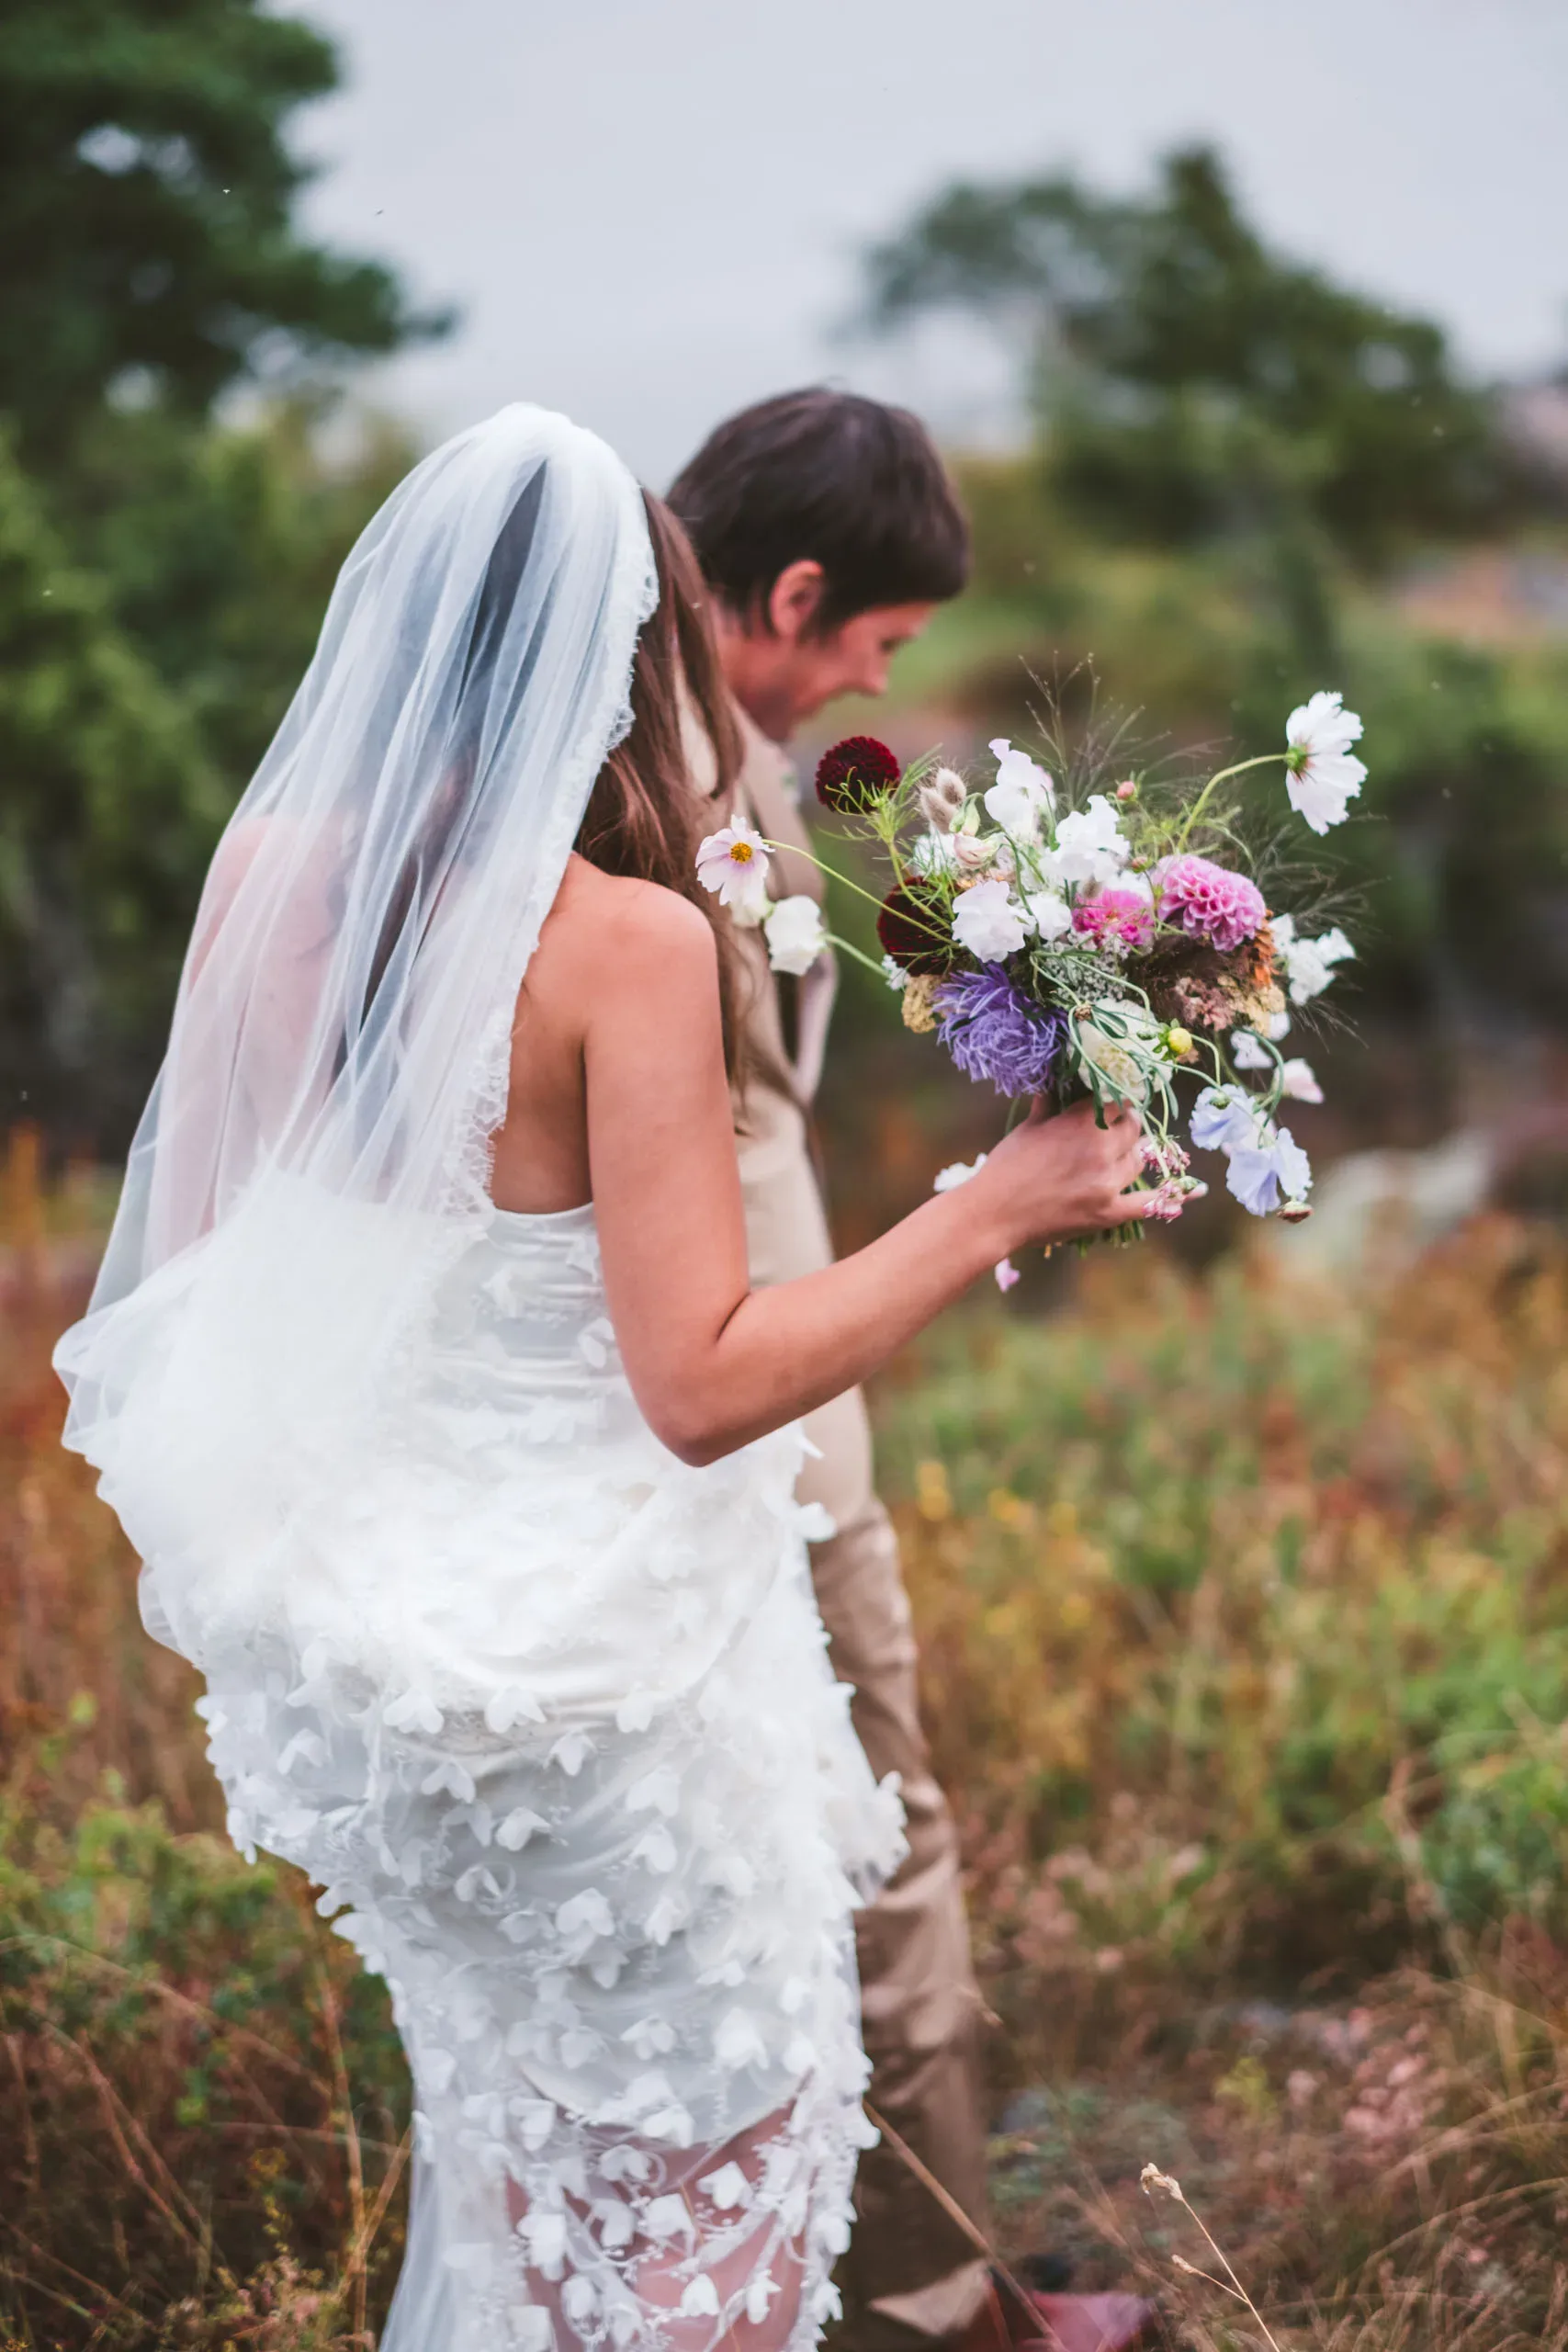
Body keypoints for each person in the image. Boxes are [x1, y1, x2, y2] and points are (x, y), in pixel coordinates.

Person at [54, 405, 1154, 2352]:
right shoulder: (623, 942)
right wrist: (997, 1202)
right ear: (622, 650)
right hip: (611, 1698)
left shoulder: (268, 874)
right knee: (718, 2196)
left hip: (396, 1685)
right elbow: (703, 1381)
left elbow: (220, 1273)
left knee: (520, 2180)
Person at [669, 392, 1155, 2352]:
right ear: (790, 592)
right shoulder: (673, 791)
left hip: (704, 1375)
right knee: (881, 1832)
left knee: (764, 1860)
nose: (882, 675)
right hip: (753, 1403)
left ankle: (815, 2272)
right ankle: (937, 2307)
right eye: (874, 640)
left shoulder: (649, 755)